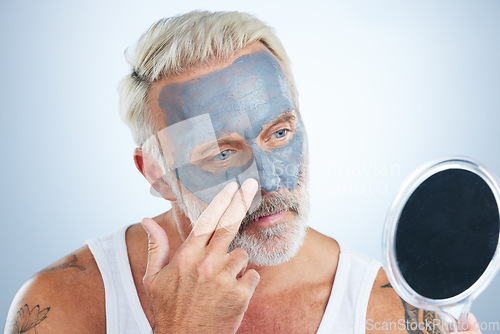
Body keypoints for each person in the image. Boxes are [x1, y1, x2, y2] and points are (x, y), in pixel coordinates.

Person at [5, 10, 482, 334]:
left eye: (279, 133)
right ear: (154, 172)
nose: (271, 181)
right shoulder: (66, 304)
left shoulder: (389, 315)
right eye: (221, 154)